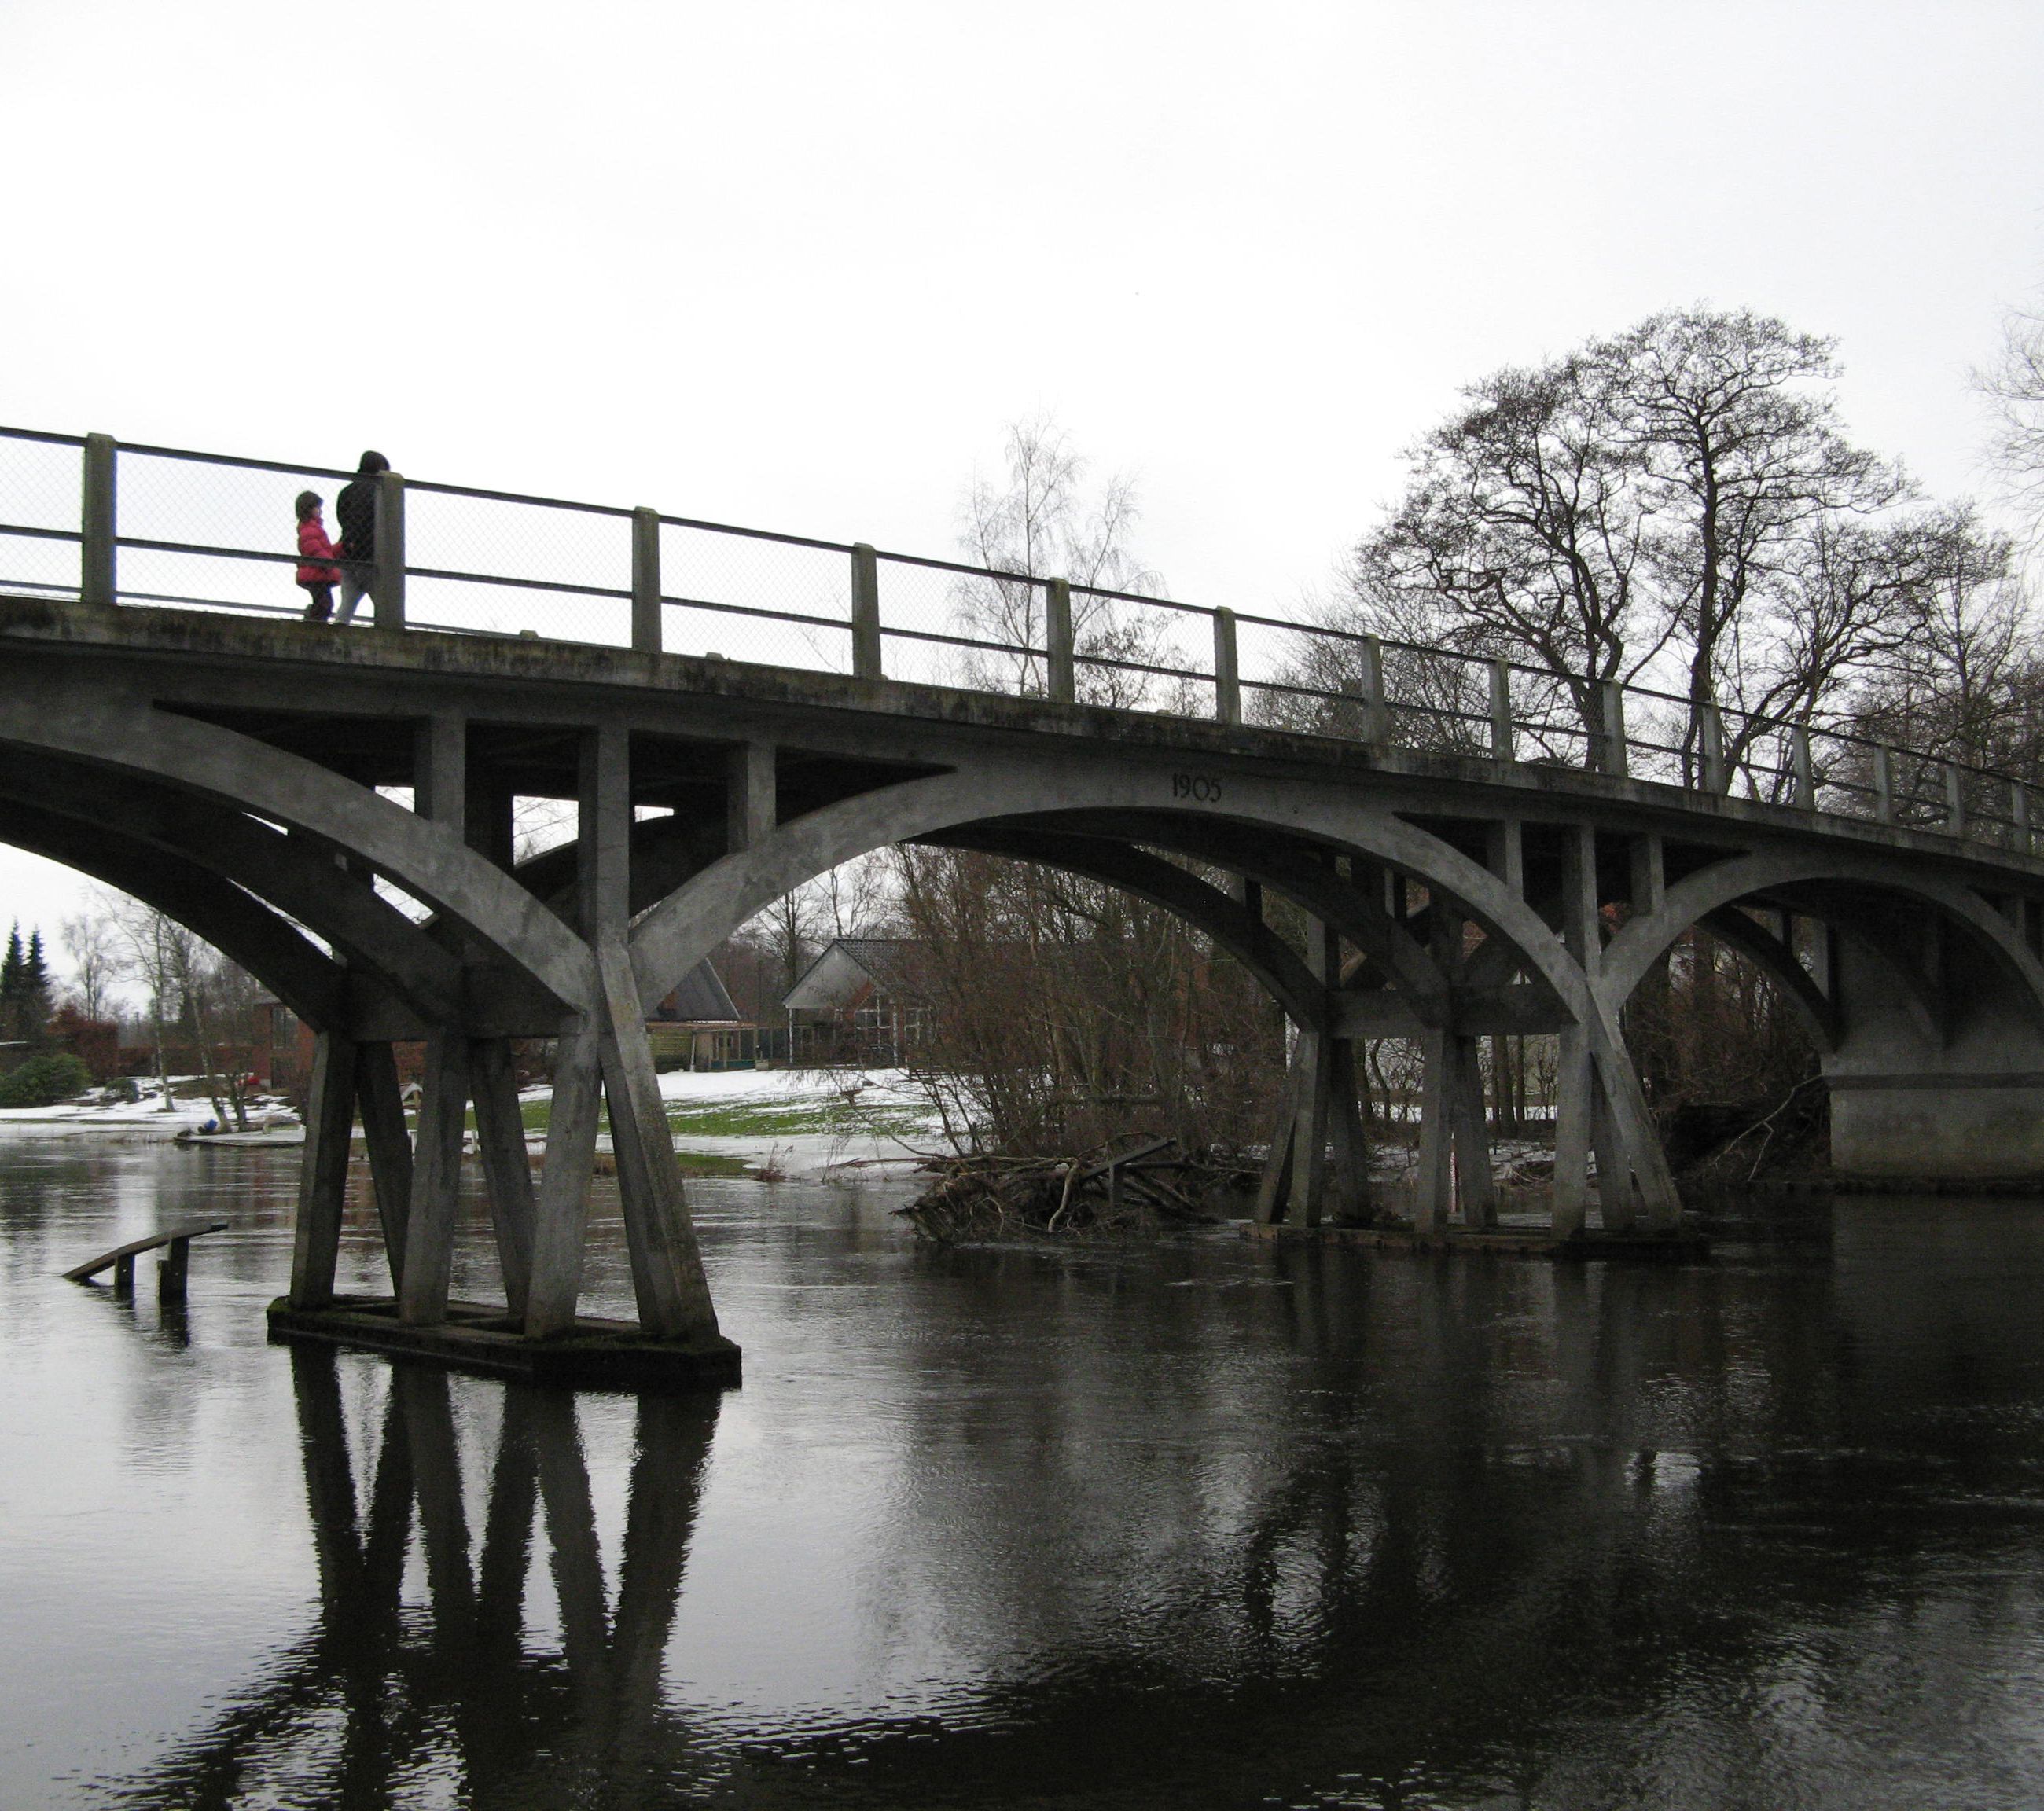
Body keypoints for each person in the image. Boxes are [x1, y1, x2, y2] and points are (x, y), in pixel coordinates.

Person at [333, 450, 390, 625]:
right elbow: (363, 518)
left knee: (347, 603)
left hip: (348, 555)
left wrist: (349, 540)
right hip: (369, 554)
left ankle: (337, 632)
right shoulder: (376, 491)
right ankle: (388, 635)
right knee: (384, 602)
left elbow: (342, 516)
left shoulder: (347, 490)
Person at [294, 491, 341, 622]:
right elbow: (314, 549)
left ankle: (313, 621)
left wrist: (338, 549)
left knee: (323, 602)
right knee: (324, 603)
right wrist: (328, 561)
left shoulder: (311, 528)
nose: (320, 511)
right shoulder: (310, 528)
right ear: (309, 509)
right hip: (317, 573)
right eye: (318, 508)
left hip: (317, 572)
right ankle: (313, 623)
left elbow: (321, 550)